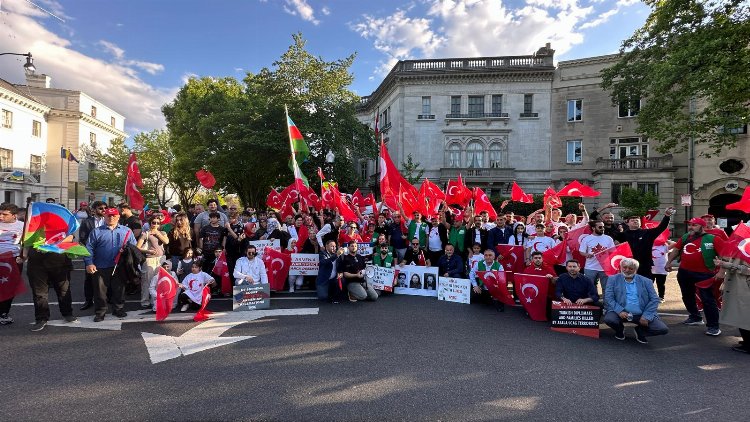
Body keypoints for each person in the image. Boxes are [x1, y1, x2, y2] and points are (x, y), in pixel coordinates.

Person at [666, 217, 723, 336]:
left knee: (708, 300)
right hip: (684, 272)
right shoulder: (686, 237)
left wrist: (721, 271)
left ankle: (713, 326)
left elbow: (725, 256)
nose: (691, 227)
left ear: (702, 227)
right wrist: (668, 262)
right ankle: (695, 317)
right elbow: (676, 250)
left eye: (694, 225)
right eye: (690, 225)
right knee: (687, 296)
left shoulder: (713, 239)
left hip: (705, 274)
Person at [83, 207, 136, 322]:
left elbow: (133, 248)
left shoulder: (127, 231)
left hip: (120, 266)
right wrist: (89, 263)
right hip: (100, 266)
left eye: (114, 216)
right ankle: (100, 312)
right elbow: (89, 249)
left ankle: (118, 309)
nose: (111, 217)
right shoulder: (96, 232)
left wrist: (126, 251)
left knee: (119, 290)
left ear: (118, 217)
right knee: (100, 292)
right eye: (109, 215)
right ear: (105, 217)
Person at [603, 258, 669, 343]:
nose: (627, 270)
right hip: (620, 312)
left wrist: (646, 315)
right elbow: (609, 297)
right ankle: (619, 330)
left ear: (636, 270)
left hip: (641, 313)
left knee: (662, 329)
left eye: (631, 268)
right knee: (609, 319)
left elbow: (654, 299)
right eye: (625, 267)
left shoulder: (646, 281)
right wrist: (619, 311)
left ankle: (640, 331)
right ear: (620, 267)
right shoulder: (612, 279)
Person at [615, 207, 675, 279]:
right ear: (627, 223)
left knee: (645, 285)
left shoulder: (647, 233)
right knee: (629, 285)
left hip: (645, 265)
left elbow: (661, 227)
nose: (635, 221)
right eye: (632, 220)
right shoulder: (622, 235)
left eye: (637, 220)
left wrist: (667, 216)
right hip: (628, 265)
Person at [713, 256, 750, 354]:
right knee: (740, 315)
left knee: (744, 316)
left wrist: (728, 265)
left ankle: (748, 345)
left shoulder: (745, 248)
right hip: (738, 287)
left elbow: (747, 270)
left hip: (744, 288)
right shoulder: (738, 248)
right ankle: (747, 341)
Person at [78, 201, 107, 310]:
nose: (103, 210)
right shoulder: (87, 222)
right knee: (89, 278)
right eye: (100, 208)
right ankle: (88, 300)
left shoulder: (109, 220)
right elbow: (82, 238)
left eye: (105, 208)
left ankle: (107, 299)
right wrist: (90, 248)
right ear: (94, 209)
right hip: (91, 253)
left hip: (105, 253)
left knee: (106, 277)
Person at [0, 203, 25, 325]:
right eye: (0, 213)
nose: (1, 216)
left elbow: (27, 243)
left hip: (14, 259)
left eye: (5, 214)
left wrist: (23, 256)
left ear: (14, 215)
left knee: (10, 286)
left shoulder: (22, 226)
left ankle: (4, 312)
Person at [137, 214, 169, 308]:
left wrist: (157, 233)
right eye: (153, 223)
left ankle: (156, 299)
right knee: (147, 281)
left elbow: (166, 242)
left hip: (161, 259)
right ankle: (145, 301)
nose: (155, 224)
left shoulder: (162, 232)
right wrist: (147, 251)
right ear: (150, 223)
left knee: (159, 280)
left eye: (157, 223)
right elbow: (138, 247)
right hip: (149, 259)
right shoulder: (145, 233)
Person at [578, 220, 616, 295]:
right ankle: (593, 304)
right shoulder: (587, 239)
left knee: (606, 288)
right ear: (593, 228)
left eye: (603, 227)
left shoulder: (608, 238)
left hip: (605, 267)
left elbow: (613, 251)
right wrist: (587, 255)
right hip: (590, 267)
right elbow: (581, 251)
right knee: (589, 287)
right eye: (600, 227)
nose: (603, 228)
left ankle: (606, 305)